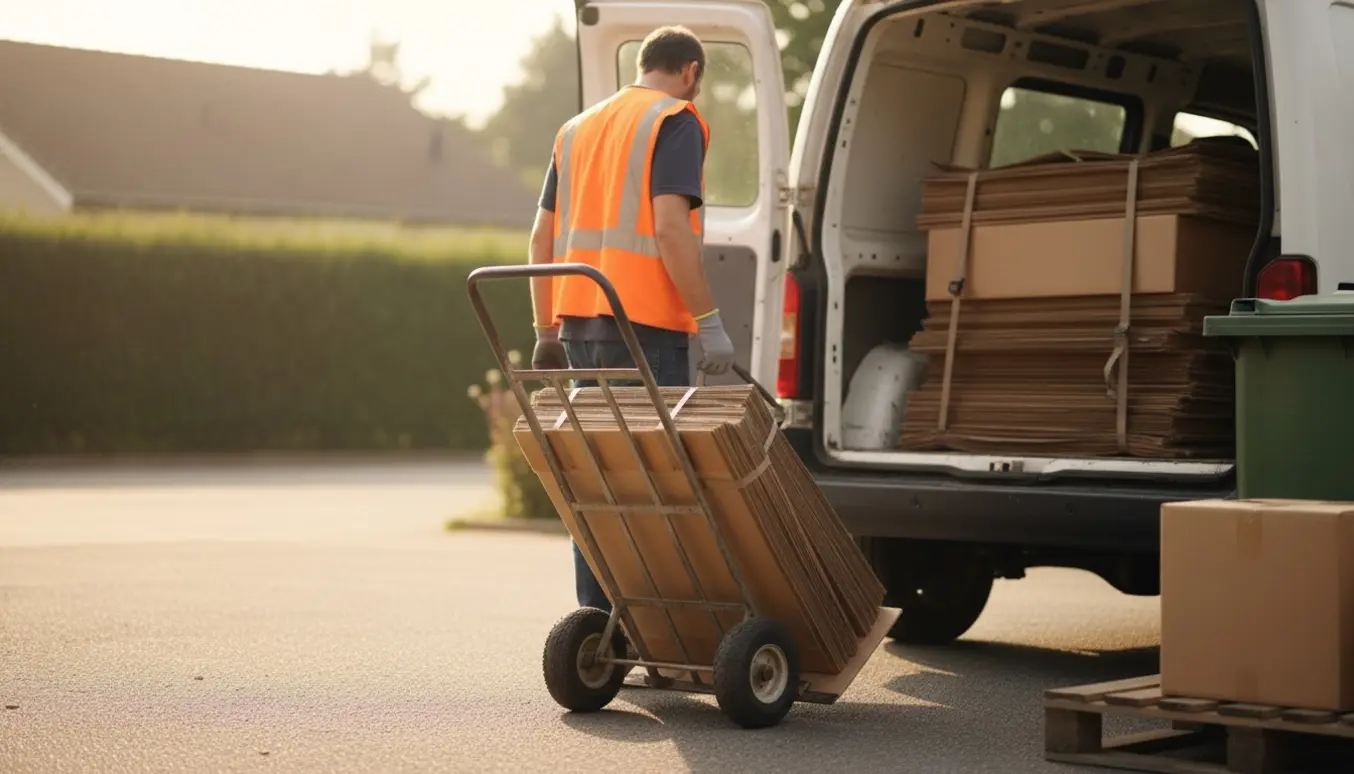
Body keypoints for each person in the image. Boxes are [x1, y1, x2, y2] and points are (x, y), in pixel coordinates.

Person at [526, 25, 736, 617]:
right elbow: (670, 228)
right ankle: (655, 624)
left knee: (595, 478)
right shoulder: (676, 120)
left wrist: (544, 330)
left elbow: (542, 233)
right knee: (653, 485)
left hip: (578, 327)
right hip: (645, 331)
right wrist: (710, 320)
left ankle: (598, 623)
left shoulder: (577, 129)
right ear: (690, 71)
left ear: (644, 63)